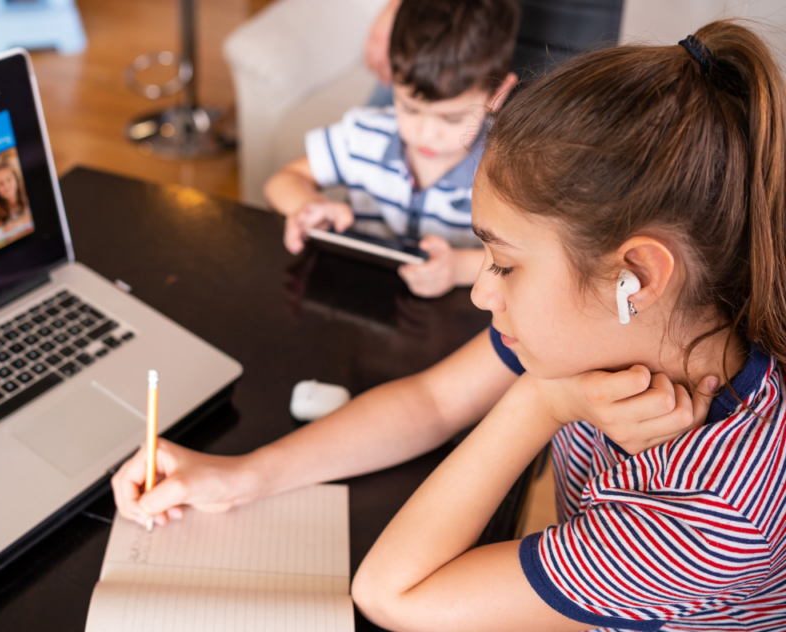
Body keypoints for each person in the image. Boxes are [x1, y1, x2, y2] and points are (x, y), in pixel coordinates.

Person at [115, 18, 786, 629]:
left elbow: (391, 593)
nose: (481, 294)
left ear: (634, 274)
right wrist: (241, 476)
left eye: (505, 264)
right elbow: (434, 401)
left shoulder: (714, 516)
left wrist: (544, 403)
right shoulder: (617, 328)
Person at [264, 0, 520, 298]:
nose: (425, 133)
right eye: (410, 109)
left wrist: (458, 268)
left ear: (497, 93)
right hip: (360, 299)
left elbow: (525, 260)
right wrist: (306, 205)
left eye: (451, 118)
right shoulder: (365, 135)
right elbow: (282, 180)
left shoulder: (507, 168)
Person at [0, 154, 33, 250]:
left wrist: (16, 224)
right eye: (1, 184)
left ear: (16, 179)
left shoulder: (28, 196)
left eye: (9, 180)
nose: (6, 186)